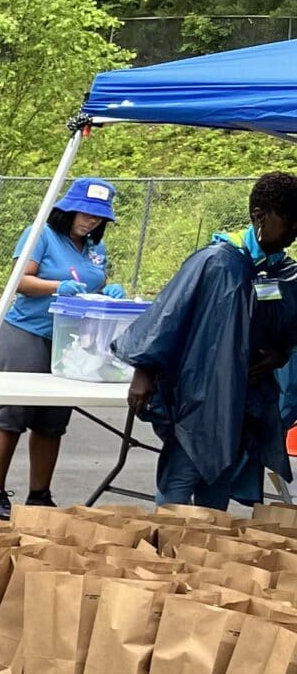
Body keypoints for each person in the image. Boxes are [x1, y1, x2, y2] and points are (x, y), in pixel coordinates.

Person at [118, 172, 297, 509]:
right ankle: (166, 554)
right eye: (290, 222)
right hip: (201, 396)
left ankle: (200, 555)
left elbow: (288, 329)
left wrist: (280, 354)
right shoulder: (215, 262)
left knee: (219, 485)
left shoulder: (283, 272)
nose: (294, 232)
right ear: (260, 216)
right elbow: (166, 316)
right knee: (180, 479)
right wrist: (143, 373)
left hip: (247, 400)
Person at [0, 176, 119, 519]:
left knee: (53, 419)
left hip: (71, 338)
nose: (91, 222)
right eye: (85, 214)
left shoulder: (95, 249)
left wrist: (109, 293)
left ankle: (39, 495)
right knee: (12, 413)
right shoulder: (41, 234)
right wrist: (58, 287)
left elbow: (95, 283)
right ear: (67, 210)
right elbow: (19, 282)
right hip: (28, 331)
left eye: (98, 218)